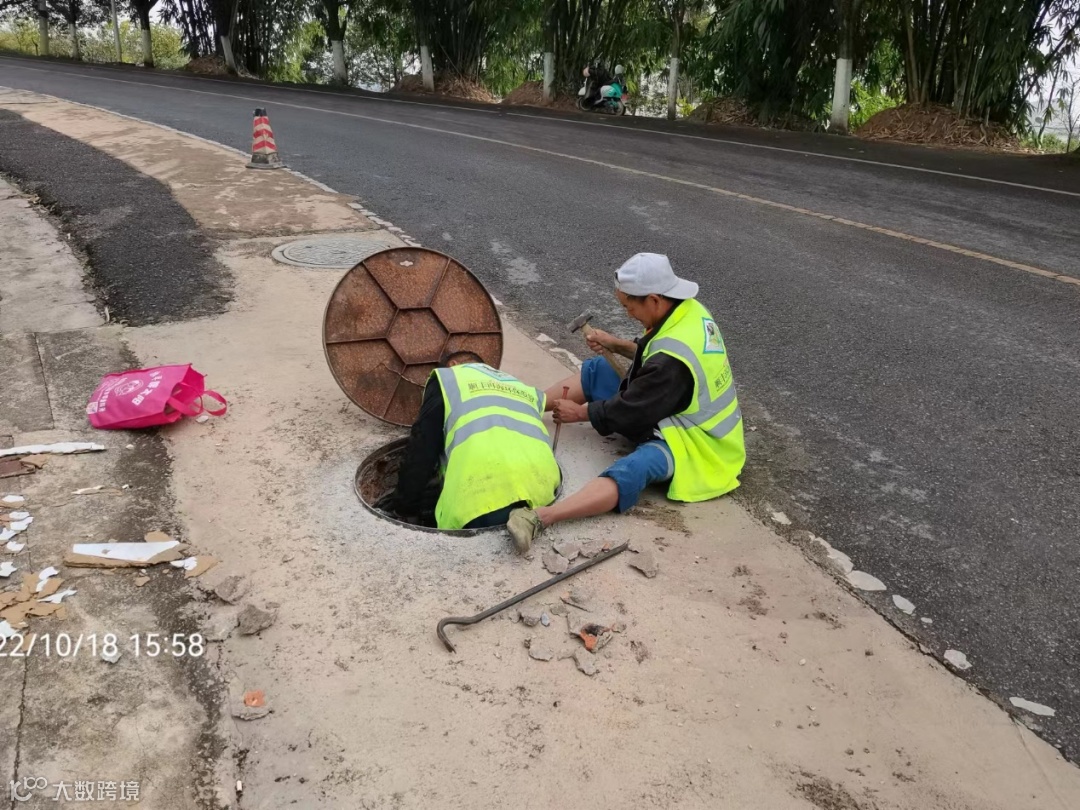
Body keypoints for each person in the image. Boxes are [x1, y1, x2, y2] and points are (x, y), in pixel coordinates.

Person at [506, 253, 745, 551]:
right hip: (673, 402)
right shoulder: (686, 311)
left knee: (634, 468)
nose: (628, 313)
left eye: (628, 306)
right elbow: (652, 355)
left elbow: (631, 409)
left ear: (654, 300)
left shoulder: (672, 362)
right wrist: (615, 344)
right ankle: (521, 404)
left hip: (696, 442)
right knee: (600, 369)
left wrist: (580, 413)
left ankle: (542, 518)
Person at [384, 352, 561, 532]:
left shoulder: (448, 378)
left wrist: (404, 506)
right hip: (545, 494)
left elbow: (422, 447)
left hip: (484, 495)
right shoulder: (519, 385)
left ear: (453, 364)